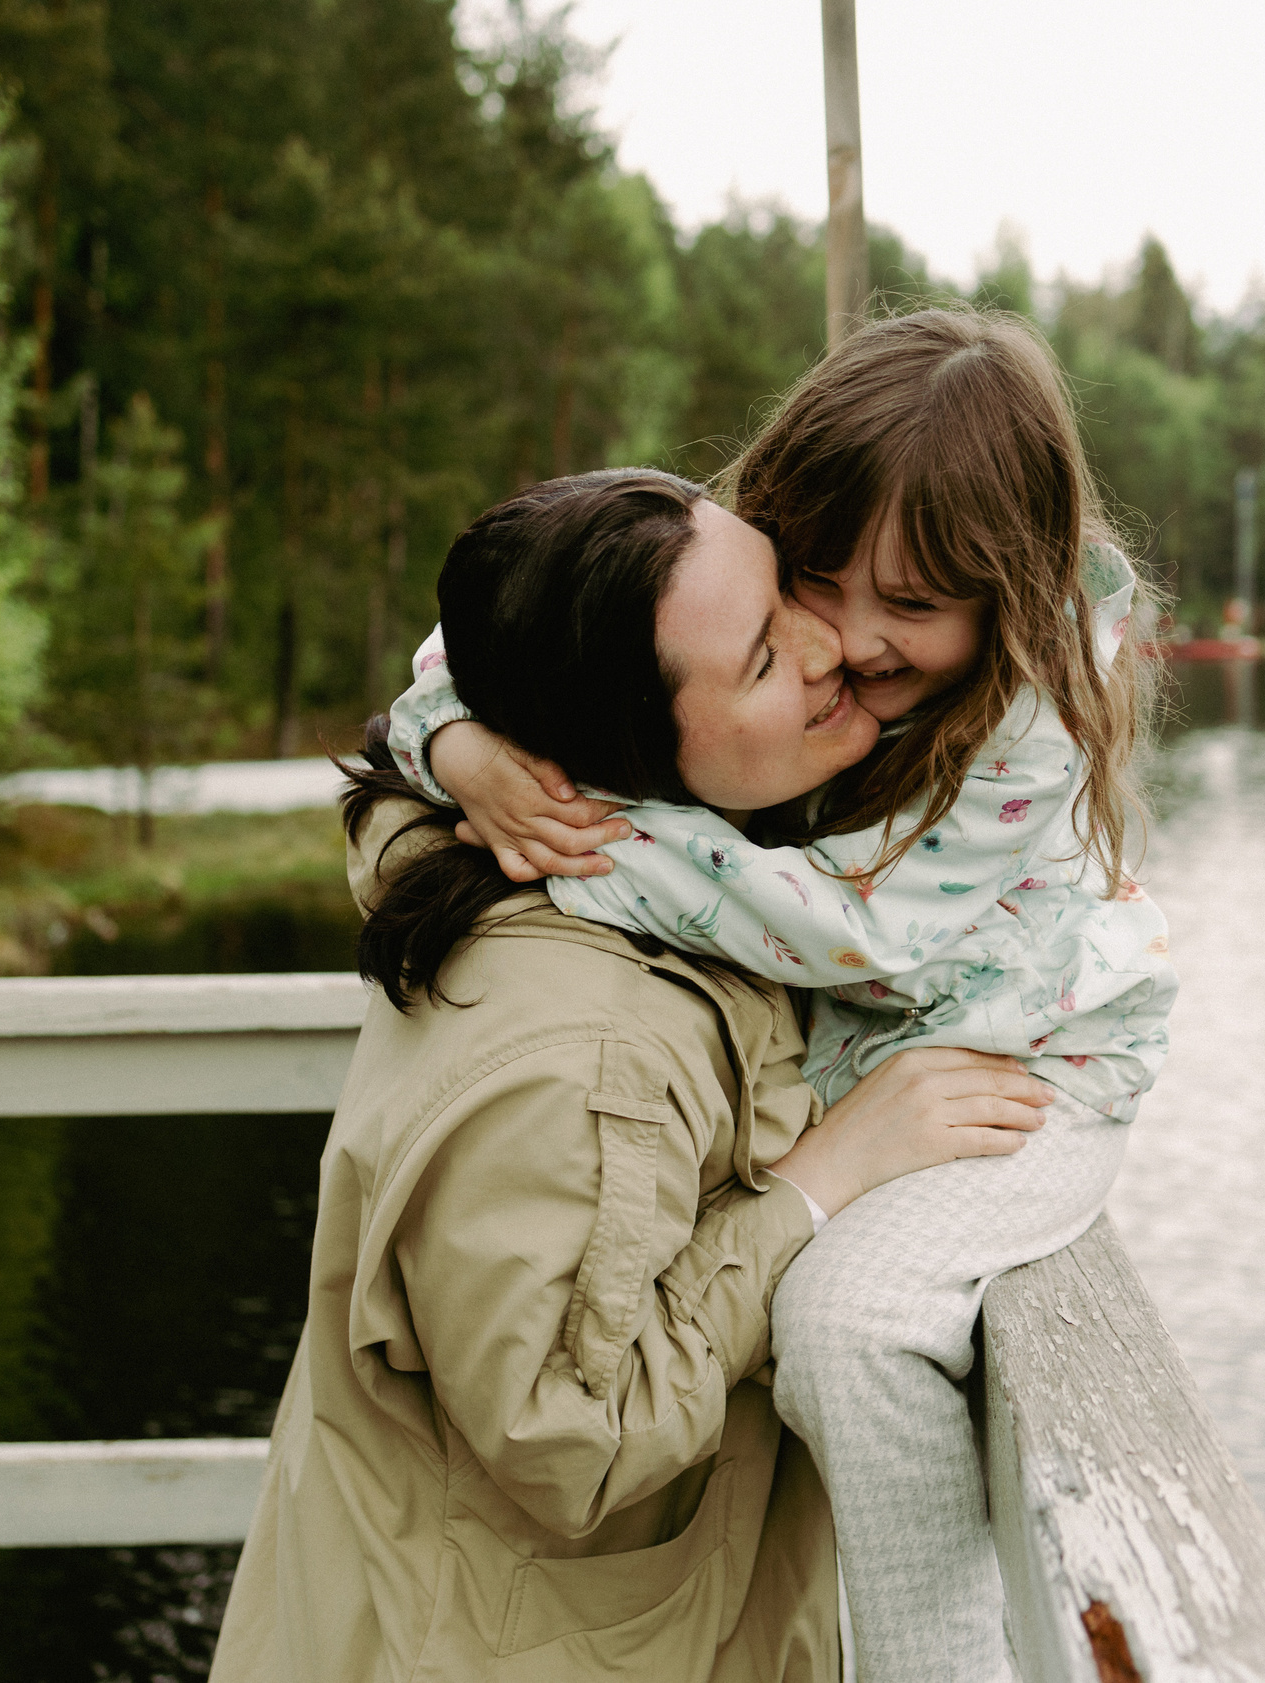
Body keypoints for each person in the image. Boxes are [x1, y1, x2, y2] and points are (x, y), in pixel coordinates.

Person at [387, 309, 1177, 1683]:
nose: (859, 639)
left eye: (916, 607)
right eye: (823, 576)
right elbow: (496, 636)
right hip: (864, 1080)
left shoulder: (1029, 710)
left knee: (846, 1325)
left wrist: (597, 838)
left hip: (1024, 1080)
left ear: (1008, 590)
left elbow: (856, 931)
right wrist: (456, 743)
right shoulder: (724, 586)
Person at [209, 469, 1054, 1683]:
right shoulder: (582, 1046)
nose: (832, 649)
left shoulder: (661, 888)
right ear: (622, 752)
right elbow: (574, 1435)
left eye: (786, 593)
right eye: (764, 658)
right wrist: (822, 1181)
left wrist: (448, 733)